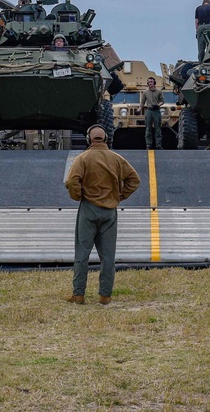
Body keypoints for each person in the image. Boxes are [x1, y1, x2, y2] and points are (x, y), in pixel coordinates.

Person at [64, 124, 141, 305]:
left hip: (88, 209)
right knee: (108, 257)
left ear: (88, 139)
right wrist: (120, 195)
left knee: (82, 254)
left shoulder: (82, 159)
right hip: (110, 212)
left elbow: (71, 181)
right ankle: (105, 295)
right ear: (106, 139)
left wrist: (78, 196)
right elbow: (134, 180)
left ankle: (78, 294)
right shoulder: (117, 159)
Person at [140, 77, 164, 150]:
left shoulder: (159, 91)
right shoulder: (145, 92)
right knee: (148, 128)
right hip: (149, 111)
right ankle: (148, 144)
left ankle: (158, 145)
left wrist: (158, 105)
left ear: (154, 82)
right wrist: (139, 109)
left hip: (156, 111)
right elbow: (142, 102)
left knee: (158, 129)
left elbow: (162, 101)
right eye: (149, 82)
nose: (150, 83)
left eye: (151, 81)